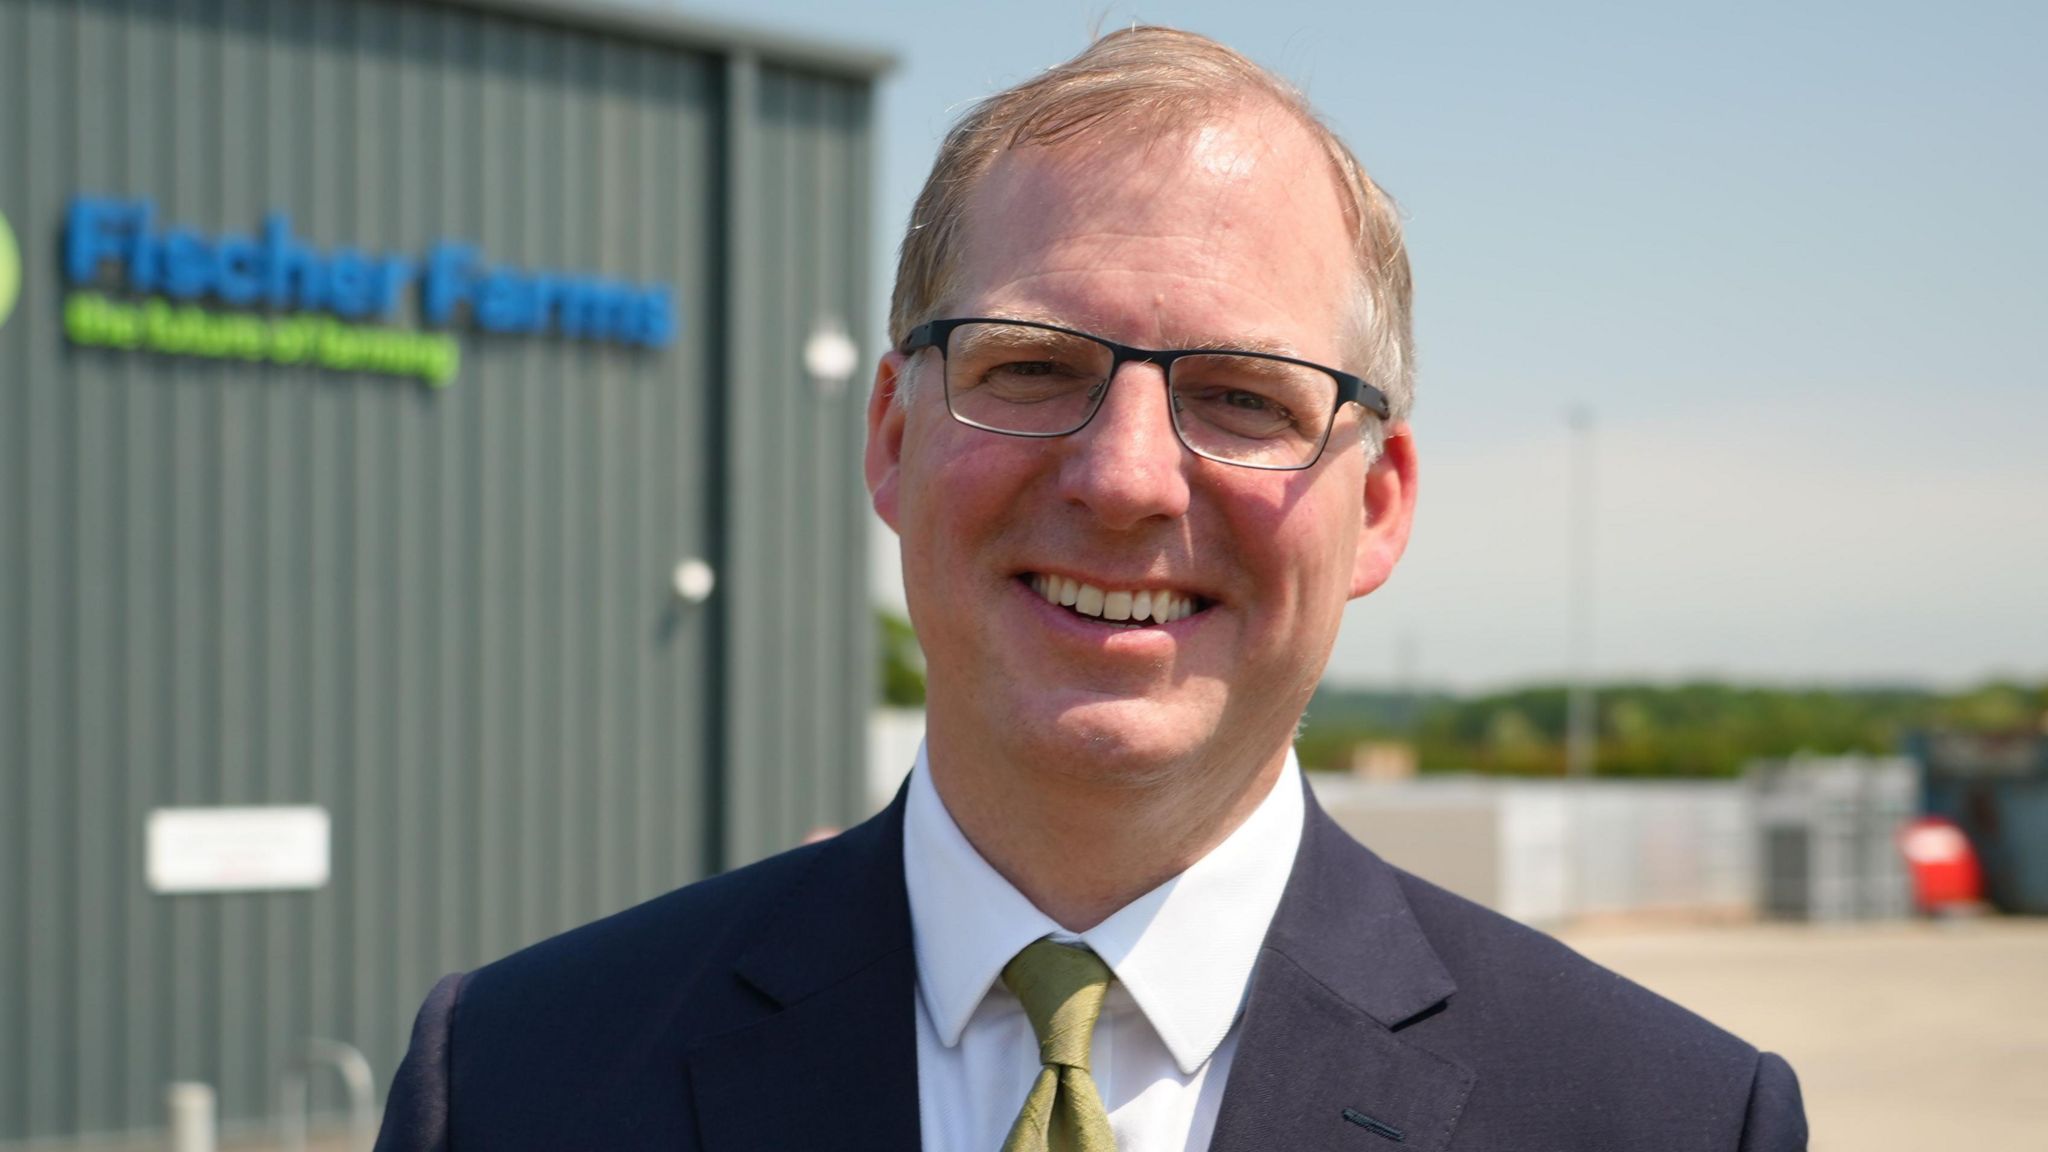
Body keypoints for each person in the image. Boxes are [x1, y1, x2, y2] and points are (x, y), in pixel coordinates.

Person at [375, 26, 1807, 1152]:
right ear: (890, 441)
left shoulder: (1665, 1123)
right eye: (1032, 368)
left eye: (1244, 397)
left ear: (1377, 507)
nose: (1125, 480)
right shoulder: (512, 1086)